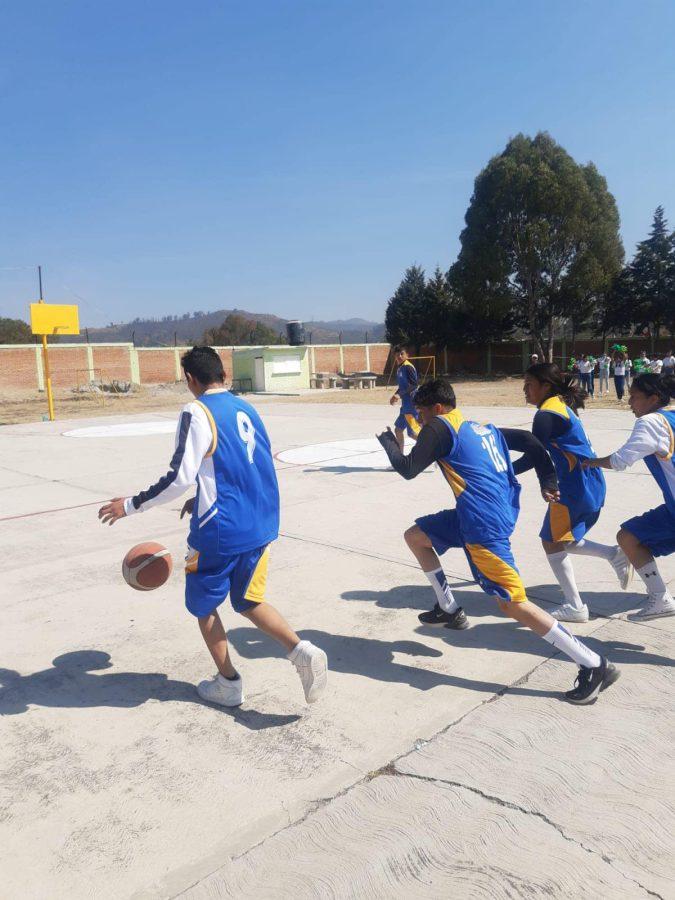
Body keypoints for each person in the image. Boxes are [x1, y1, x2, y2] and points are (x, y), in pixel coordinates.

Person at [98, 346, 328, 708]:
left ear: (190, 379)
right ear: (224, 374)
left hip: (220, 531)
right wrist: (204, 496)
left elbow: (178, 478)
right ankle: (302, 651)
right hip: (261, 523)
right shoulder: (247, 408)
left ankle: (228, 683)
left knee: (203, 606)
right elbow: (250, 466)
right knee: (249, 600)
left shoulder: (196, 410)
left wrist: (129, 505)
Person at [377, 377, 620, 705]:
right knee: (417, 537)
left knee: (512, 602)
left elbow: (407, 469)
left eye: (420, 412)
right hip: (485, 511)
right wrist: (547, 478)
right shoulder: (478, 426)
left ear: (437, 408)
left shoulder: (439, 427)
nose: (418, 419)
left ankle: (593, 663)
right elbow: (532, 442)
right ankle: (449, 607)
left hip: (482, 524)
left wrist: (389, 442)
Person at [523, 363, 632, 623]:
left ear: (545, 386)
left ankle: (575, 606)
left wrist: (501, 471)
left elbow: (535, 455)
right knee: (560, 539)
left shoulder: (546, 415)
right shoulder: (561, 405)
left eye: (529, 384)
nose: (524, 390)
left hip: (574, 486)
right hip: (589, 480)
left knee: (551, 541)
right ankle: (613, 554)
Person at [582, 372, 675, 620]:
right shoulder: (671, 418)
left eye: (634, 397)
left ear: (653, 398)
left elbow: (621, 460)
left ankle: (661, 599)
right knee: (629, 537)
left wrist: (589, 462)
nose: (630, 403)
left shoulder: (651, 422)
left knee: (629, 538)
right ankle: (661, 598)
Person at [389, 346, 420, 451]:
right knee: (398, 430)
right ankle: (400, 457)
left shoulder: (408, 367)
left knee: (412, 433)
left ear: (407, 355)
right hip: (405, 406)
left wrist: (399, 395)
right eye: (397, 355)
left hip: (411, 405)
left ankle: (434, 450)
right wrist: (395, 395)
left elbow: (413, 385)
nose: (399, 356)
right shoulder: (400, 368)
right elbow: (403, 386)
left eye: (402, 354)